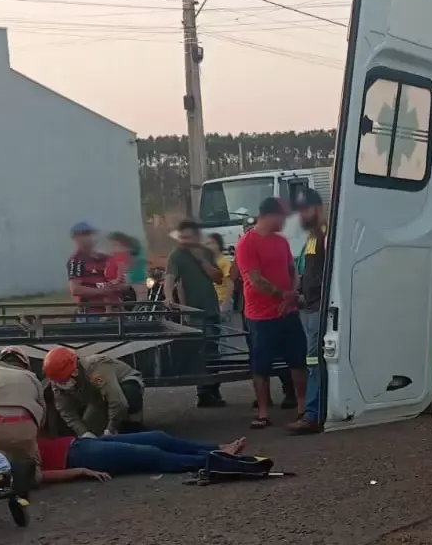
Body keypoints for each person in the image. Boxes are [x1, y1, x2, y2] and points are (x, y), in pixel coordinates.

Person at [235, 197, 308, 429]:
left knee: (297, 360)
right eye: (282, 217)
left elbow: (292, 270)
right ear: (269, 215)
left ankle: (303, 406)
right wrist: (282, 295)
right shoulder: (247, 243)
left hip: (288, 311)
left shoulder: (281, 242)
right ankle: (263, 411)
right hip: (261, 316)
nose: (285, 222)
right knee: (261, 365)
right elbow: (255, 280)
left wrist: (293, 293)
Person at [164, 218, 225, 408]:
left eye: (188, 237)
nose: (184, 241)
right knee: (201, 352)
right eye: (182, 237)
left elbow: (218, 277)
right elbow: (169, 278)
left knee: (214, 350)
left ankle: (214, 390)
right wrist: (169, 298)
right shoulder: (176, 255)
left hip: (211, 307)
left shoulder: (206, 252)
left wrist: (201, 260)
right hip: (193, 311)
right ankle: (204, 393)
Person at [33, 432, 248, 484]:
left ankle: (218, 448)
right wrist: (80, 471)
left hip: (78, 442)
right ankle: (212, 458)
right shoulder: (3, 462)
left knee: (157, 437)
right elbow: (36, 476)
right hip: (75, 457)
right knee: (150, 455)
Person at [287, 189, 327, 434]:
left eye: (306, 209)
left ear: (318, 208)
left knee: (314, 360)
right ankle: (313, 411)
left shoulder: (324, 234)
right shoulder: (312, 236)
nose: (302, 214)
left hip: (319, 308)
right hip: (309, 306)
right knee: (313, 360)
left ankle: (313, 414)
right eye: (299, 209)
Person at [43, 346, 145, 437]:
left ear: (75, 371)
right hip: (97, 397)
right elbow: (66, 411)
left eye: (64, 380)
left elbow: (117, 401)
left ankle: (133, 423)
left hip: (123, 383)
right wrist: (84, 433)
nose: (61, 385)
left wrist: (111, 429)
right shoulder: (56, 380)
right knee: (90, 427)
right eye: (58, 382)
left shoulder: (96, 368)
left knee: (130, 394)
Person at [66, 221, 119, 320]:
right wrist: (102, 291)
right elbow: (75, 289)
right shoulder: (76, 260)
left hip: (115, 313)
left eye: (90, 233)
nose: (89, 237)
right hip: (91, 314)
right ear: (76, 238)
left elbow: (122, 280)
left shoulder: (105, 258)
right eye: (85, 234)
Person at [106, 232, 148, 301]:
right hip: (130, 282)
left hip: (137, 281)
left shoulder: (123, 253)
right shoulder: (118, 254)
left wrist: (117, 279)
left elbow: (123, 267)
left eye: (114, 243)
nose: (111, 246)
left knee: (140, 303)